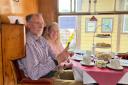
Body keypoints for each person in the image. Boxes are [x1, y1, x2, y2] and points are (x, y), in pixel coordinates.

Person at [18, 13, 83, 85]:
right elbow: (34, 74)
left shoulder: (42, 40)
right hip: (43, 81)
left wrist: (63, 55)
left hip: (54, 73)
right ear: (29, 25)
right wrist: (56, 61)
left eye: (42, 23)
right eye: (37, 23)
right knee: (80, 83)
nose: (41, 26)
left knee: (82, 75)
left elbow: (55, 57)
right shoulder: (27, 44)